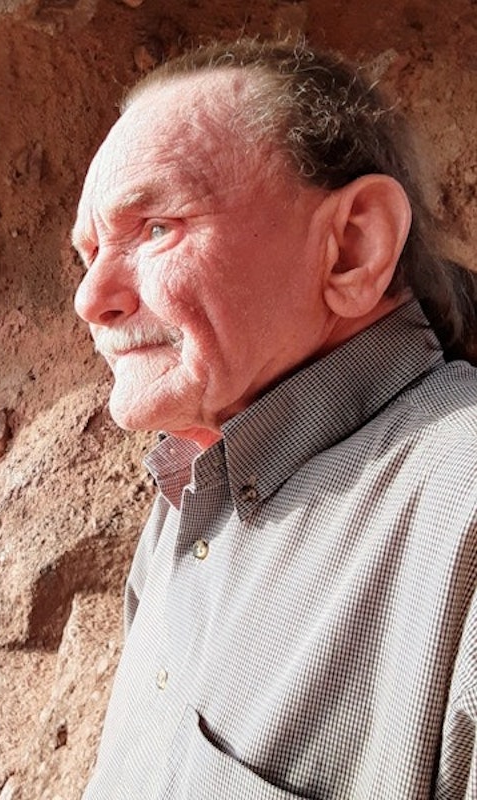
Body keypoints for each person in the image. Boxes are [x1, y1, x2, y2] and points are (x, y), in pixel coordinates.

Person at [72, 37, 477, 799]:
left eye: (155, 228)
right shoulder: (189, 492)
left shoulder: (464, 511)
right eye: (88, 254)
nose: (90, 299)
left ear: (353, 247)